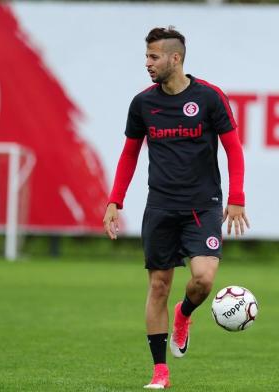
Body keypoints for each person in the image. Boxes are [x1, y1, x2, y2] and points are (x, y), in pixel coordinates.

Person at [103, 26, 249, 389]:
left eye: (153, 57)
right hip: (161, 207)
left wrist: (237, 199)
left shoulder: (210, 98)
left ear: (175, 58)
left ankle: (185, 314)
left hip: (203, 206)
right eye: (146, 56)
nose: (147, 64)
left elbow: (233, 148)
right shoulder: (142, 104)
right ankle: (160, 371)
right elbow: (129, 155)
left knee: (203, 279)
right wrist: (114, 200)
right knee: (158, 286)